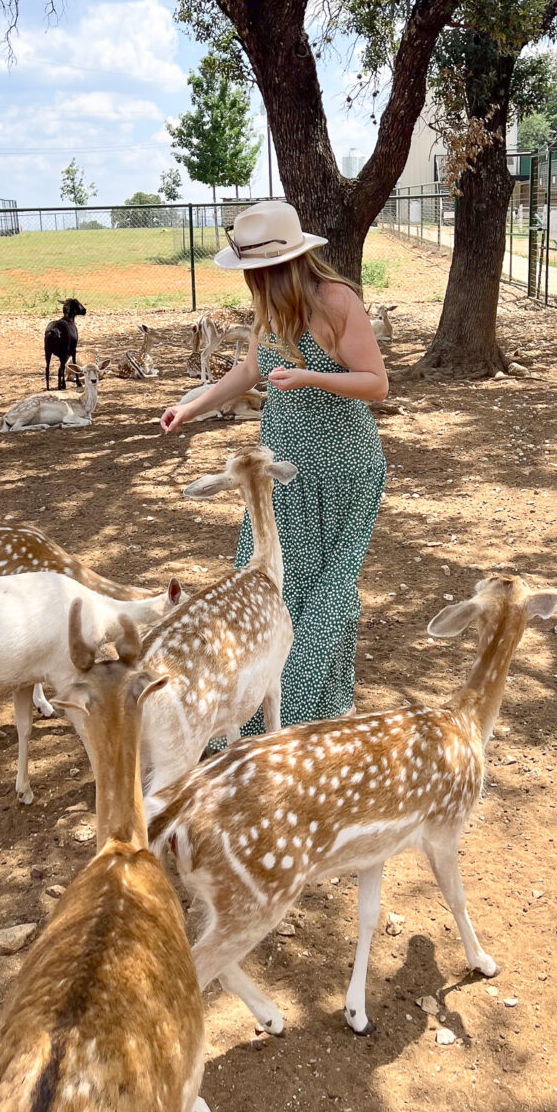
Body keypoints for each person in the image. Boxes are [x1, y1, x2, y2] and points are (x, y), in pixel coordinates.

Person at [160, 200, 388, 733]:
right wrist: (192, 407)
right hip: (280, 472)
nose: (250, 280)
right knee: (267, 585)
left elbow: (377, 383)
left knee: (328, 592)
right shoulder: (270, 306)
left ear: (282, 265)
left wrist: (310, 377)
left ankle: (320, 710)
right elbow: (248, 371)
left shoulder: (337, 301)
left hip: (341, 470)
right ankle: (250, 710)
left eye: (256, 270)